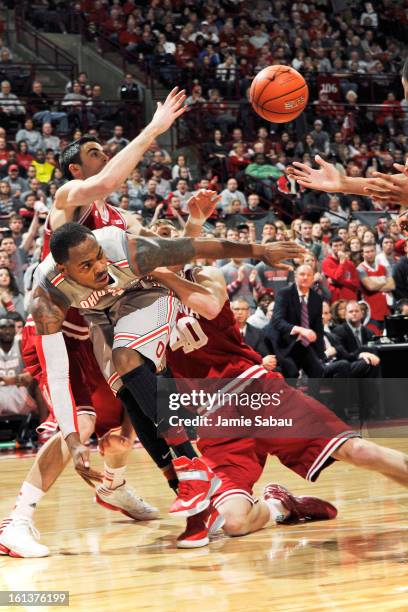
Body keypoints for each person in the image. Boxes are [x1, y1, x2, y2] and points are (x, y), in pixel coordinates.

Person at [158, 264, 408, 547]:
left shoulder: (203, 275)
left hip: (255, 390)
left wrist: (161, 271)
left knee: (357, 450)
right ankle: (279, 504)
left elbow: (212, 306)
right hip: (215, 417)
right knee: (233, 523)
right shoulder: (140, 305)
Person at [0, 317, 37, 417]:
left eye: (11, 327)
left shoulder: (21, 343)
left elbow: (33, 373)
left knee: (40, 380)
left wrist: (15, 380)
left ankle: (45, 429)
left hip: (19, 390)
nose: (7, 331)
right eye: (3, 327)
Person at [357, 243, 394, 333]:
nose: (370, 254)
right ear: (363, 254)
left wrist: (375, 284)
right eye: (367, 252)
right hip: (371, 313)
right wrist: (384, 282)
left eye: (372, 251)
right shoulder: (360, 269)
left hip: (386, 310)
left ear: (376, 252)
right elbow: (370, 287)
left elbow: (392, 285)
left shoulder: (383, 268)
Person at [322, 236, 360, 302]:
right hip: (336, 299)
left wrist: (339, 282)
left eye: (340, 245)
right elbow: (337, 278)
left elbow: (356, 284)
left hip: (351, 298)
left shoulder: (350, 263)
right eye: (335, 246)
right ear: (331, 247)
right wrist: (342, 262)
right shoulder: (327, 262)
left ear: (344, 246)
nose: (339, 248)